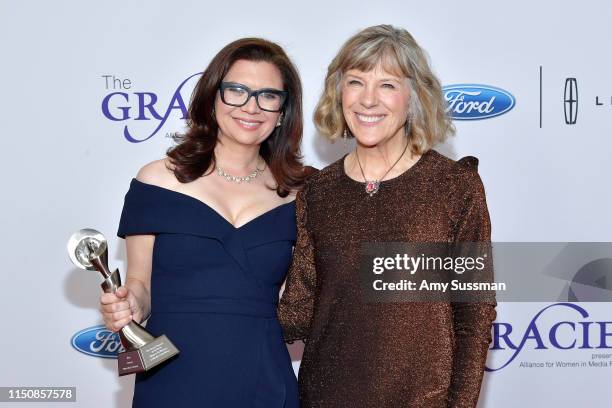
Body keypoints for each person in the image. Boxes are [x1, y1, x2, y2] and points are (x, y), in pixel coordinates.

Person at [278, 25, 496, 407]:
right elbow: (298, 310)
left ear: (414, 96)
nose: (368, 100)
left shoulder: (454, 187)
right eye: (356, 82)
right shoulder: (319, 192)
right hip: (326, 397)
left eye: (388, 85)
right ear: (338, 91)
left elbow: (474, 315)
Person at [100, 37, 311, 407]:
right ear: (212, 97)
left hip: (264, 378)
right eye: (237, 91)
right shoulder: (156, 181)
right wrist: (129, 303)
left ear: (283, 111)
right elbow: (140, 286)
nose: (252, 106)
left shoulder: (301, 194)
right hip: (172, 374)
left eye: (268, 95)